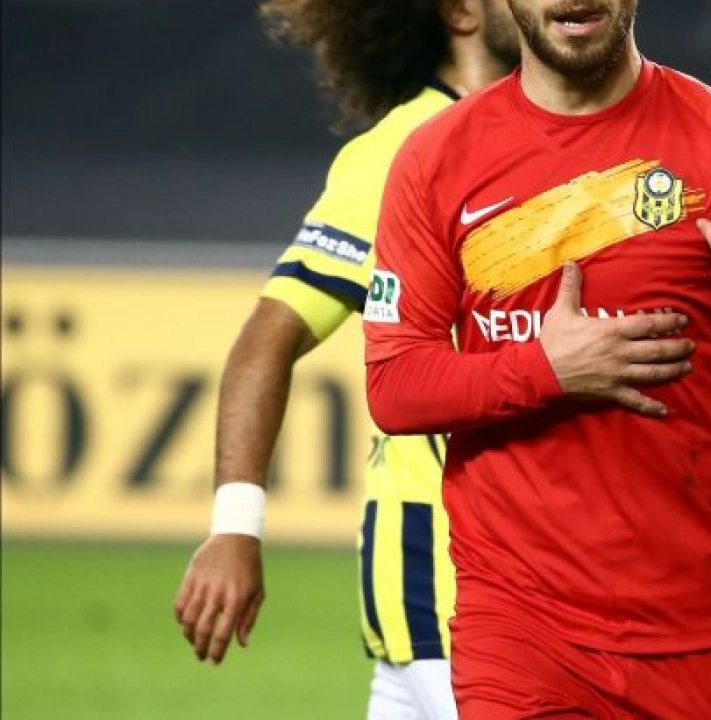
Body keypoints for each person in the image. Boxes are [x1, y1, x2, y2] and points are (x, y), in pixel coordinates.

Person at [362, 0, 711, 715]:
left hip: (710, 628)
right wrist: (546, 370)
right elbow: (396, 385)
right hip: (522, 631)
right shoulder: (436, 159)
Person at [173, 1, 520, 718]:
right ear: (460, 12)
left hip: (494, 595)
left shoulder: (557, 143)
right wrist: (236, 525)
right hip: (452, 592)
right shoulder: (402, 152)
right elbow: (267, 339)